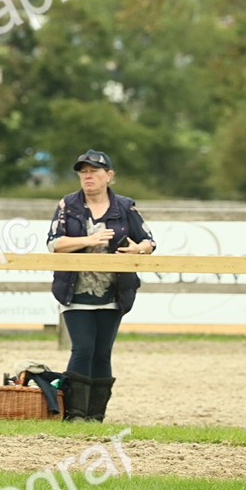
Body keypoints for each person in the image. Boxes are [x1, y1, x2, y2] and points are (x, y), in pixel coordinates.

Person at [46, 149, 156, 422]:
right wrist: (88, 240)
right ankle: (75, 414)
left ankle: (96, 416)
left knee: (102, 353)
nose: (87, 176)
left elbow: (149, 242)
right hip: (75, 291)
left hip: (114, 291)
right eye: (83, 172)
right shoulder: (68, 205)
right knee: (83, 348)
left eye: (93, 171)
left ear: (109, 175)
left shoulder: (126, 207)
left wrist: (138, 250)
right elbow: (54, 243)